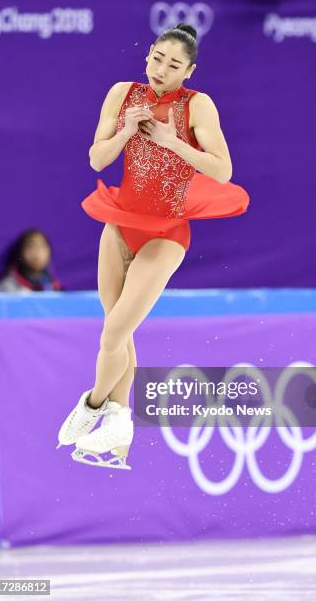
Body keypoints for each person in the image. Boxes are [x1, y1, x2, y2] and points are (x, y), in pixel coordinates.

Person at [57, 23, 250, 470]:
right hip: (121, 222)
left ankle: (91, 406)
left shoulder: (197, 105)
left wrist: (173, 142)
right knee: (118, 331)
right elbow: (96, 159)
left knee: (112, 332)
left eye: (175, 64)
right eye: (158, 59)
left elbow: (223, 171)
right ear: (148, 56)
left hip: (165, 233)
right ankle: (120, 426)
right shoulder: (122, 93)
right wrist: (127, 131)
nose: (163, 69)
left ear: (190, 70)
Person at [0, 229, 62, 293]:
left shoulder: (55, 288)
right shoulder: (5, 289)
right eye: (31, 246)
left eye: (42, 246)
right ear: (21, 252)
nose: (37, 252)